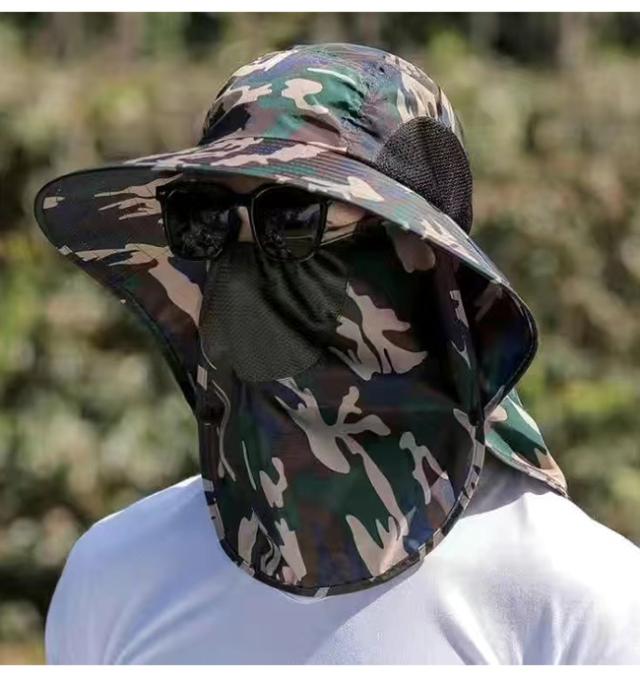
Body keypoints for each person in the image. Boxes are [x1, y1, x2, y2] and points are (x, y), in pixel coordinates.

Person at [35, 42, 640, 665]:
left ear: (417, 257)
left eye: (294, 216)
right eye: (205, 215)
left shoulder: (574, 598)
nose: (243, 264)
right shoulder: (116, 576)